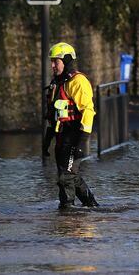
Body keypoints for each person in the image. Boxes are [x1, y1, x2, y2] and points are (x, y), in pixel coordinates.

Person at [46, 42, 98, 209]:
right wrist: (47, 140)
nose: (53, 65)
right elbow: (53, 115)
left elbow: (88, 111)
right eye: (52, 61)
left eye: (56, 61)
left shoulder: (78, 82)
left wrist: (83, 142)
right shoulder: (57, 83)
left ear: (67, 61)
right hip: (61, 137)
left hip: (75, 137)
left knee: (65, 177)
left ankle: (66, 212)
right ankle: (92, 206)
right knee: (71, 176)